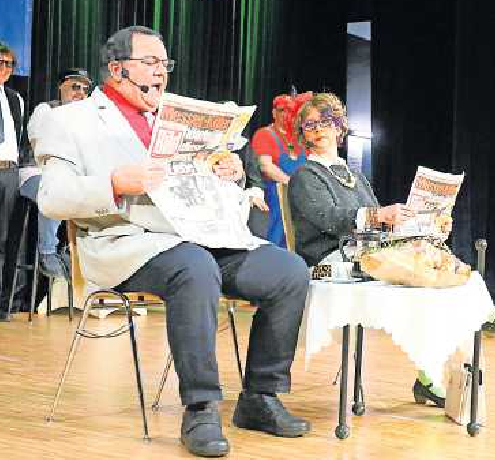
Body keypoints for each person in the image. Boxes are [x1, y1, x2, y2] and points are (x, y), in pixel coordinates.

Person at [35, 26, 311, 457]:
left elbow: (203, 189)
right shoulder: (69, 119)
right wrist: (113, 183)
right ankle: (201, 406)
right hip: (126, 242)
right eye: (150, 63)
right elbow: (51, 197)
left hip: (201, 237)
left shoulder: (176, 116)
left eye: (165, 64)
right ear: (116, 69)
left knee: (289, 272)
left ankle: (260, 397)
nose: (161, 73)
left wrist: (230, 176)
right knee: (194, 267)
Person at [288, 92, 448, 408]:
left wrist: (424, 224)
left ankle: (429, 373)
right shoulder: (304, 175)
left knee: (423, 273)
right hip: (321, 264)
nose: (318, 129)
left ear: (338, 126)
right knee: (407, 282)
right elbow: (331, 219)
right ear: (302, 134)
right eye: (309, 125)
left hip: (360, 254)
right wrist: (378, 216)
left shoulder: (354, 174)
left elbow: (378, 222)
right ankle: (429, 377)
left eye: (325, 122)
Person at [22, 68, 92, 277]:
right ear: (61, 86)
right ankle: (47, 251)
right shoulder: (46, 110)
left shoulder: (87, 121)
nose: (80, 92)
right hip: (33, 174)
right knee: (55, 187)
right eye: (75, 87)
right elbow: (40, 150)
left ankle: (74, 248)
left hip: (68, 178)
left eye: (85, 89)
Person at [0, 43, 27, 321]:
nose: (4, 68)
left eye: (9, 64)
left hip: (8, 173)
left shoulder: (16, 99)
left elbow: (19, 137)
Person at [251, 94, 306, 247]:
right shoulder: (264, 134)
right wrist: (293, 184)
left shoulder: (299, 139)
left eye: (290, 111)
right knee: (275, 242)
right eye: (282, 110)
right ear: (274, 112)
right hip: (275, 200)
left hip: (300, 201)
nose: (286, 114)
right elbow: (266, 167)